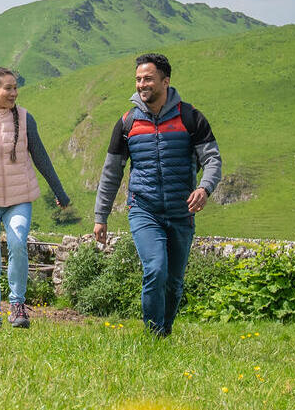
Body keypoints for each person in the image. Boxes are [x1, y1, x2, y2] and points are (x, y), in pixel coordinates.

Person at [91, 53, 222, 337]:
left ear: (165, 81)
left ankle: (165, 331)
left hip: (181, 211)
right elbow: (111, 173)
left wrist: (204, 187)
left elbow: (212, 159)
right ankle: (153, 335)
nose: (141, 84)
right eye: (138, 79)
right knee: (156, 269)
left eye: (148, 79)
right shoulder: (127, 123)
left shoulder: (191, 117)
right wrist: (100, 216)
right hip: (144, 209)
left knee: (174, 282)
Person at [0, 66, 75, 328]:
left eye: (15, 87)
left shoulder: (25, 119)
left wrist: (60, 192)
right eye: (8, 88)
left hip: (18, 198)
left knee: (18, 243)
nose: (14, 93)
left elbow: (41, 157)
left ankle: (17, 305)